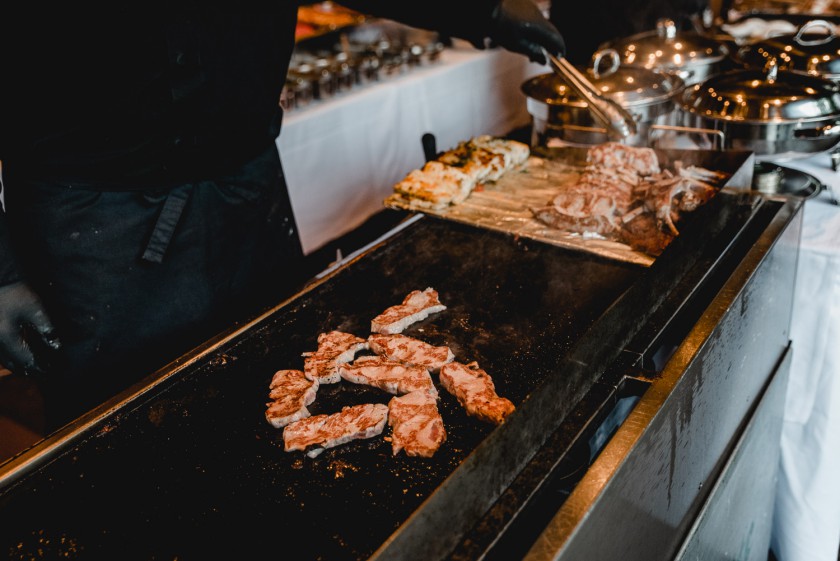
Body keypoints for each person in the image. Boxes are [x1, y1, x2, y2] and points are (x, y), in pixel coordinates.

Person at [0, 3, 565, 430]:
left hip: (248, 188)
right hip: (96, 220)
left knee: (282, 394)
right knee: (127, 439)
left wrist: (478, 9)